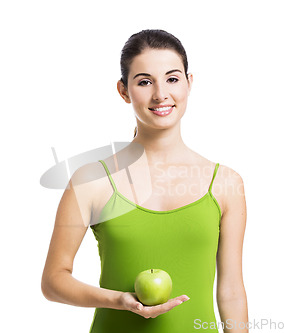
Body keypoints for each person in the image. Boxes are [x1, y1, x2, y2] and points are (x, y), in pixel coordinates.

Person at [41, 29, 248, 333]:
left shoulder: (226, 183)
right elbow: (54, 281)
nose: (160, 94)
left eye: (172, 79)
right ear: (123, 91)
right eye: (144, 81)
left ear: (189, 84)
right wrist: (119, 300)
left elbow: (231, 292)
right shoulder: (91, 181)